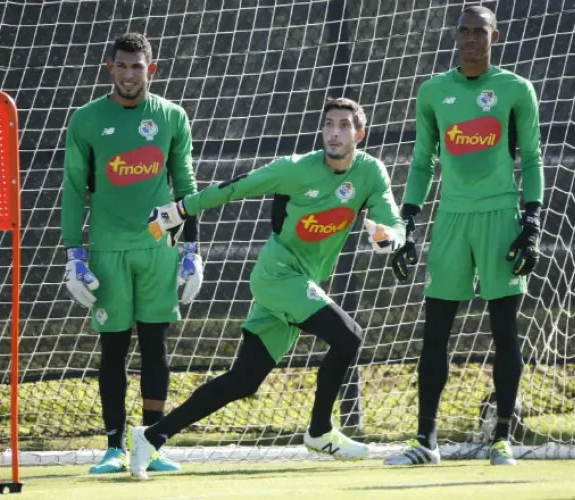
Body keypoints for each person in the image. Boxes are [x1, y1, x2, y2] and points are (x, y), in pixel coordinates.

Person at [127, 97, 406, 479]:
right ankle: (320, 431)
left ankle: (152, 436)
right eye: (328, 124)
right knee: (350, 337)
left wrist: (392, 236)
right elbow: (233, 188)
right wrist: (180, 209)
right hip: (278, 276)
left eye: (343, 125)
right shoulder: (294, 169)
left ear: (359, 134)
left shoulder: (371, 172)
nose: (334, 132)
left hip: (299, 283)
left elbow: (391, 217)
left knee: (243, 380)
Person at [383, 5, 545, 467]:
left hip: (500, 216)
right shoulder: (434, 91)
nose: (471, 38)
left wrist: (531, 224)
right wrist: (407, 224)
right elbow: (422, 163)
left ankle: (501, 439)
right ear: (455, 36)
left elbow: (531, 159)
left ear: (496, 36)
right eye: (464, 31)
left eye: (480, 31)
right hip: (450, 220)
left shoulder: (516, 90)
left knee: (504, 332)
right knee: (435, 332)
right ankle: (425, 441)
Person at [60, 32, 204, 474]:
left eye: (136, 67)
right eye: (121, 66)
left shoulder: (172, 116)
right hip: (107, 250)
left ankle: (152, 443)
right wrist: (74, 255)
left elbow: (186, 187)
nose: (128, 74)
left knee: (155, 346)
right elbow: (71, 191)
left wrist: (192, 250)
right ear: (110, 68)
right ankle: (113, 447)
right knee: (114, 348)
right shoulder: (86, 120)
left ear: (151, 70)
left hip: (159, 248)